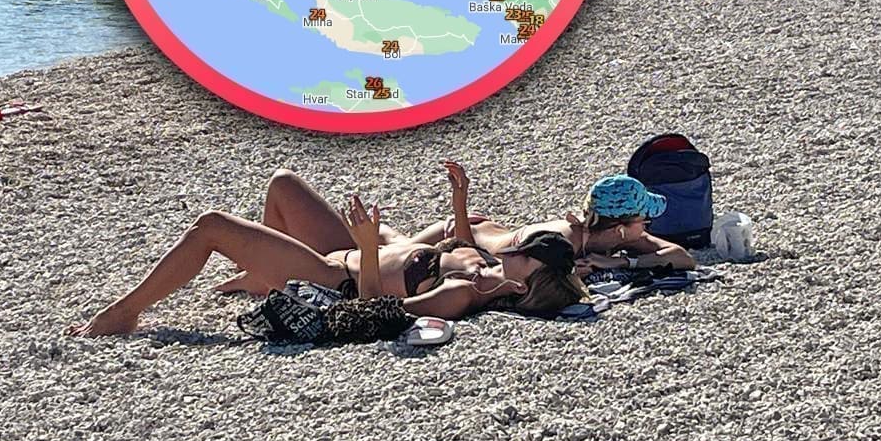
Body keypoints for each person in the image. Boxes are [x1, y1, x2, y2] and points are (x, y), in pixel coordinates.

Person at [68, 169, 587, 338]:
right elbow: (459, 238)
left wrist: (368, 247)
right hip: (345, 250)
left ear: (522, 284)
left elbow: (371, 313)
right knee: (283, 184)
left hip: (329, 277)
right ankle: (262, 276)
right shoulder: (485, 266)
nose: (518, 245)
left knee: (211, 227)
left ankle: (124, 313)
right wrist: (459, 201)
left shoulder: (459, 296)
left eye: (527, 253)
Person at [251, 167, 697, 280]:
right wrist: (460, 205)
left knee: (370, 242)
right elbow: (478, 256)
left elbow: (681, 258)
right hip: (447, 241)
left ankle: (262, 271)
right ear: (620, 228)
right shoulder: (559, 239)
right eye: (644, 221)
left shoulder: (597, 237)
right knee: (338, 248)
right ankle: (260, 275)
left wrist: (623, 262)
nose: (648, 229)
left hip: (444, 242)